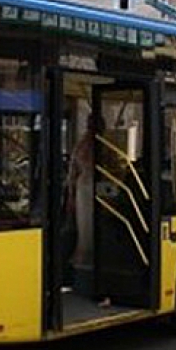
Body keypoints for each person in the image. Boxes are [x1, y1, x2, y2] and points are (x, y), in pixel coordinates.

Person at [67, 113, 104, 269]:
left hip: (82, 188)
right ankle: (86, 259)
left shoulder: (81, 144)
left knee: (84, 226)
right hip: (94, 188)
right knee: (90, 227)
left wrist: (71, 195)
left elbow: (72, 173)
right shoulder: (102, 145)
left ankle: (83, 257)